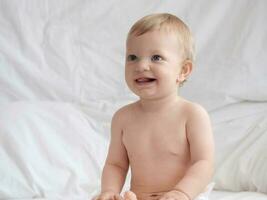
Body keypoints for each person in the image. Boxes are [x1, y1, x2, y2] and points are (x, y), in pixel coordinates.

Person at [94, 13, 214, 200]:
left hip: (186, 195)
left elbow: (204, 163)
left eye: (156, 57)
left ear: (183, 71)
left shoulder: (191, 114)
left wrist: (181, 193)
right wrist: (109, 191)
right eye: (132, 57)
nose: (141, 65)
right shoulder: (123, 118)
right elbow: (115, 164)